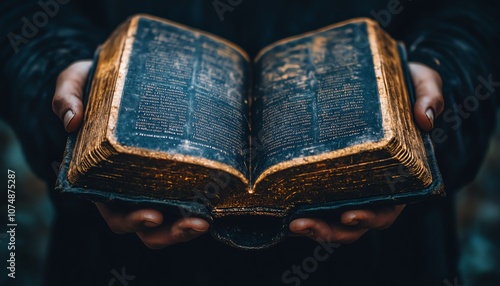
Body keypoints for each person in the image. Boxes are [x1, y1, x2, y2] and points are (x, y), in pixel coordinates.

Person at [1, 0, 499, 285]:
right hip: (120, 256)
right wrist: (61, 73)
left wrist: (440, 78)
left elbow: (473, 14)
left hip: (381, 261)